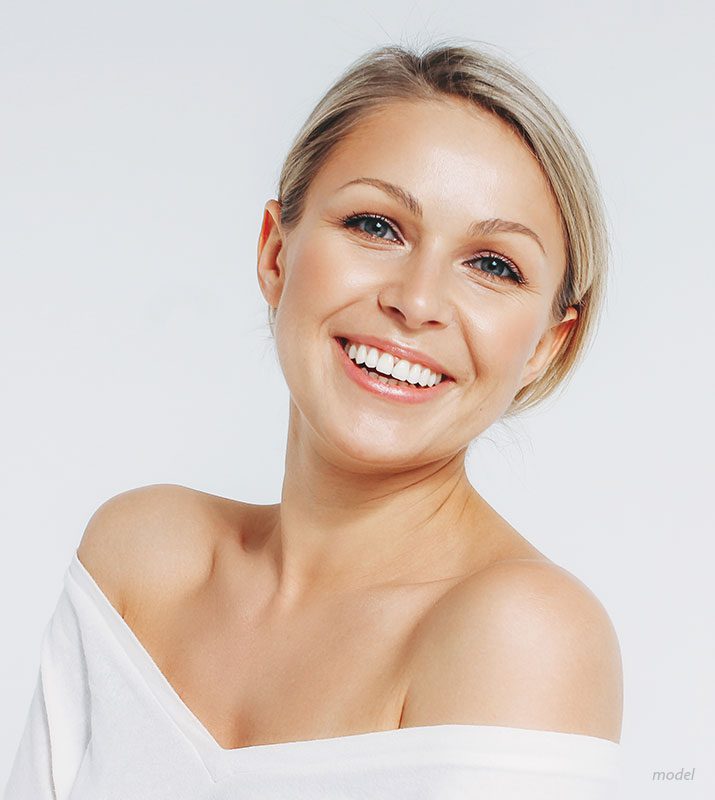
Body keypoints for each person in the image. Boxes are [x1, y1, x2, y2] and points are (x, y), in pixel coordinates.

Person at [5, 40, 623, 798]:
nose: (416, 301)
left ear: (543, 347)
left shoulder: (520, 633)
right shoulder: (141, 558)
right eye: (376, 226)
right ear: (274, 252)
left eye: (492, 265)